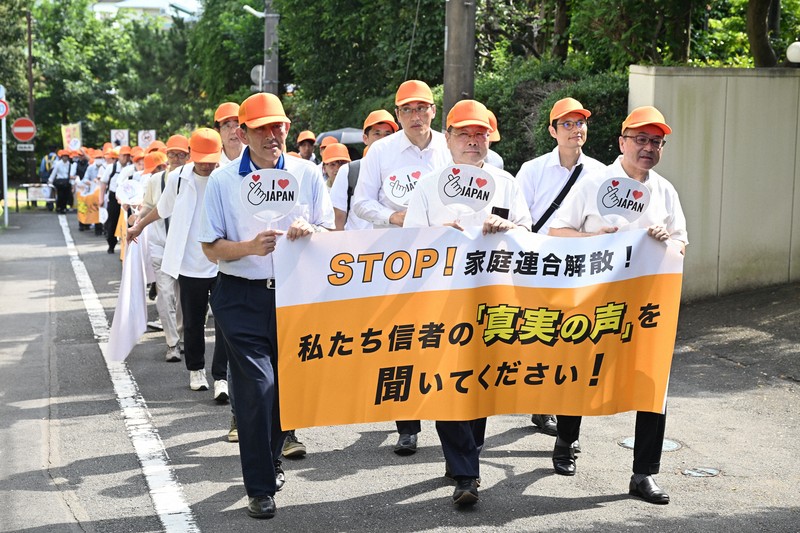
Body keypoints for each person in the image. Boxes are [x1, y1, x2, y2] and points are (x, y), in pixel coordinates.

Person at [199, 92, 334, 519]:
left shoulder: (308, 174)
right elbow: (209, 247)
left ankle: (271, 457)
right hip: (239, 296)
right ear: (242, 132)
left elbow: (330, 231)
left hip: (295, 294)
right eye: (261, 129)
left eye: (278, 127)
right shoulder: (223, 180)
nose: (272, 135)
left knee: (286, 389)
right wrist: (249, 248)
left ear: (288, 128)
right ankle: (259, 487)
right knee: (257, 387)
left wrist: (310, 230)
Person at [548, 105, 688, 505]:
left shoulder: (664, 190)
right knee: (580, 371)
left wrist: (666, 240)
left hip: (644, 307)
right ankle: (565, 441)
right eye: (640, 139)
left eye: (656, 142)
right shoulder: (593, 182)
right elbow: (557, 230)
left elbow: (682, 242)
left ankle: (643, 473)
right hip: (593, 301)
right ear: (622, 142)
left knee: (652, 383)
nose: (648, 148)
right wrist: (596, 239)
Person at [405, 99, 532, 506]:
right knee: (448, 380)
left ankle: (465, 454)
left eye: (480, 134)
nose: (473, 141)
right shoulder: (427, 186)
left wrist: (507, 225)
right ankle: (465, 474)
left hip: (492, 297)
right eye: (464, 133)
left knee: (480, 379)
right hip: (440, 299)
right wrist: (436, 232)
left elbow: (528, 233)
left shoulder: (506, 182)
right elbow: (406, 244)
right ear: (448, 138)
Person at [352, 79, 451, 455]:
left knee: (442, 338)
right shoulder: (381, 152)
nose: (415, 116)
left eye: (421, 108)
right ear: (397, 115)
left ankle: (448, 424)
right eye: (406, 110)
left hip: (445, 258)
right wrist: (394, 217)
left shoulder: (448, 146)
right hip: (397, 258)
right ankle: (407, 426)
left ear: (432, 111)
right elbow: (361, 202)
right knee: (402, 341)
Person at [516, 97, 607, 438]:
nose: (575, 130)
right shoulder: (533, 169)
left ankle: (551, 407)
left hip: (580, 265)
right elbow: (520, 218)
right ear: (553, 131)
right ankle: (540, 399)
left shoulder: (601, 172)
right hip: (540, 261)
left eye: (580, 123)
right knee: (540, 333)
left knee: (570, 337)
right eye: (567, 124)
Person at [127, 129, 231, 402]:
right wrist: (139, 226)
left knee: (224, 322)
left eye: (212, 159)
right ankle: (196, 370)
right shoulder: (177, 179)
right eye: (202, 159)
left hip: (223, 261)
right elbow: (161, 209)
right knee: (194, 321)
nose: (207, 165)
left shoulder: (227, 176)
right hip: (189, 263)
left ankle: (221, 376)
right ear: (192, 155)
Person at [136, 138, 185, 363]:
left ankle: (183, 337)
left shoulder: (194, 179)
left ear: (189, 156)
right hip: (161, 245)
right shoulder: (156, 180)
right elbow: (147, 206)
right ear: (166, 156)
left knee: (184, 296)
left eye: (181, 155)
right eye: (173, 154)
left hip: (186, 248)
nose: (176, 159)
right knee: (164, 295)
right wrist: (137, 220)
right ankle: (172, 343)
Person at [330, 109, 398, 230]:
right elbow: (338, 216)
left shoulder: (401, 171)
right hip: (357, 247)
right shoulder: (349, 171)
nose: (383, 139)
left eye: (388, 134)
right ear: (365, 138)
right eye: (377, 133)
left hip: (394, 246)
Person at [48, 149, 75, 214]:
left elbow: (71, 174)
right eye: (64, 156)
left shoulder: (70, 165)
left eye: (66, 156)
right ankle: (59, 207)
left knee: (66, 195)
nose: (65, 158)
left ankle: (64, 207)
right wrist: (50, 180)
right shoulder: (58, 164)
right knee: (60, 195)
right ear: (61, 157)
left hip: (67, 181)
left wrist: (72, 184)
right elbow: (54, 173)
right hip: (60, 181)